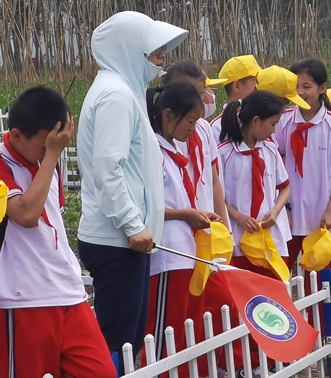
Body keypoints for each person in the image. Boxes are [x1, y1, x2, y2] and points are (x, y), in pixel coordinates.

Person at [0, 87, 115, 378]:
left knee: (100, 371)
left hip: (67, 290)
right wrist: (51, 155)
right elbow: (26, 214)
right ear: (15, 136)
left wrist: (49, 155)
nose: (49, 149)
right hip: (24, 295)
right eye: (43, 144)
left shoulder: (46, 160)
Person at [76, 10, 188, 368]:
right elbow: (109, 168)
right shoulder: (115, 96)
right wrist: (132, 224)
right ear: (130, 49)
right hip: (117, 239)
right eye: (156, 52)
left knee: (129, 335)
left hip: (126, 238)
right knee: (118, 336)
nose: (162, 61)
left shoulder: (124, 92)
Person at [144, 81, 218, 370]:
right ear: (167, 115)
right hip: (165, 254)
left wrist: (195, 214)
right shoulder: (151, 152)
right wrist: (186, 215)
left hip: (184, 253)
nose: (193, 129)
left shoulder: (172, 152)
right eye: (190, 121)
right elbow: (146, 207)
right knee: (165, 333)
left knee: (185, 331)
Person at [275, 58, 331, 273]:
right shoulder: (283, 121)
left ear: (322, 88)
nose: (300, 92)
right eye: (296, 87)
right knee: (281, 269)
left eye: (306, 87)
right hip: (290, 210)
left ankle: (319, 307)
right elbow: (277, 165)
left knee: (321, 270)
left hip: (321, 213)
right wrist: (283, 208)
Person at [219, 90, 291, 276]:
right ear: (256, 121)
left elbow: (285, 188)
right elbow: (216, 197)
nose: (274, 130)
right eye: (272, 124)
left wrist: (275, 211)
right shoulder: (224, 154)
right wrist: (238, 217)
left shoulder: (271, 150)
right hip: (238, 238)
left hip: (269, 238)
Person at [161, 60, 229, 228]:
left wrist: (224, 228)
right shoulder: (164, 136)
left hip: (208, 225)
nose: (202, 100)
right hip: (177, 229)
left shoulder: (203, 128)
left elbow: (214, 180)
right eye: (195, 94)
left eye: (201, 93)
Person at [210, 55, 262, 142]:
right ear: (237, 86)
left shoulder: (262, 121)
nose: (259, 89)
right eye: (255, 83)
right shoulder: (217, 128)